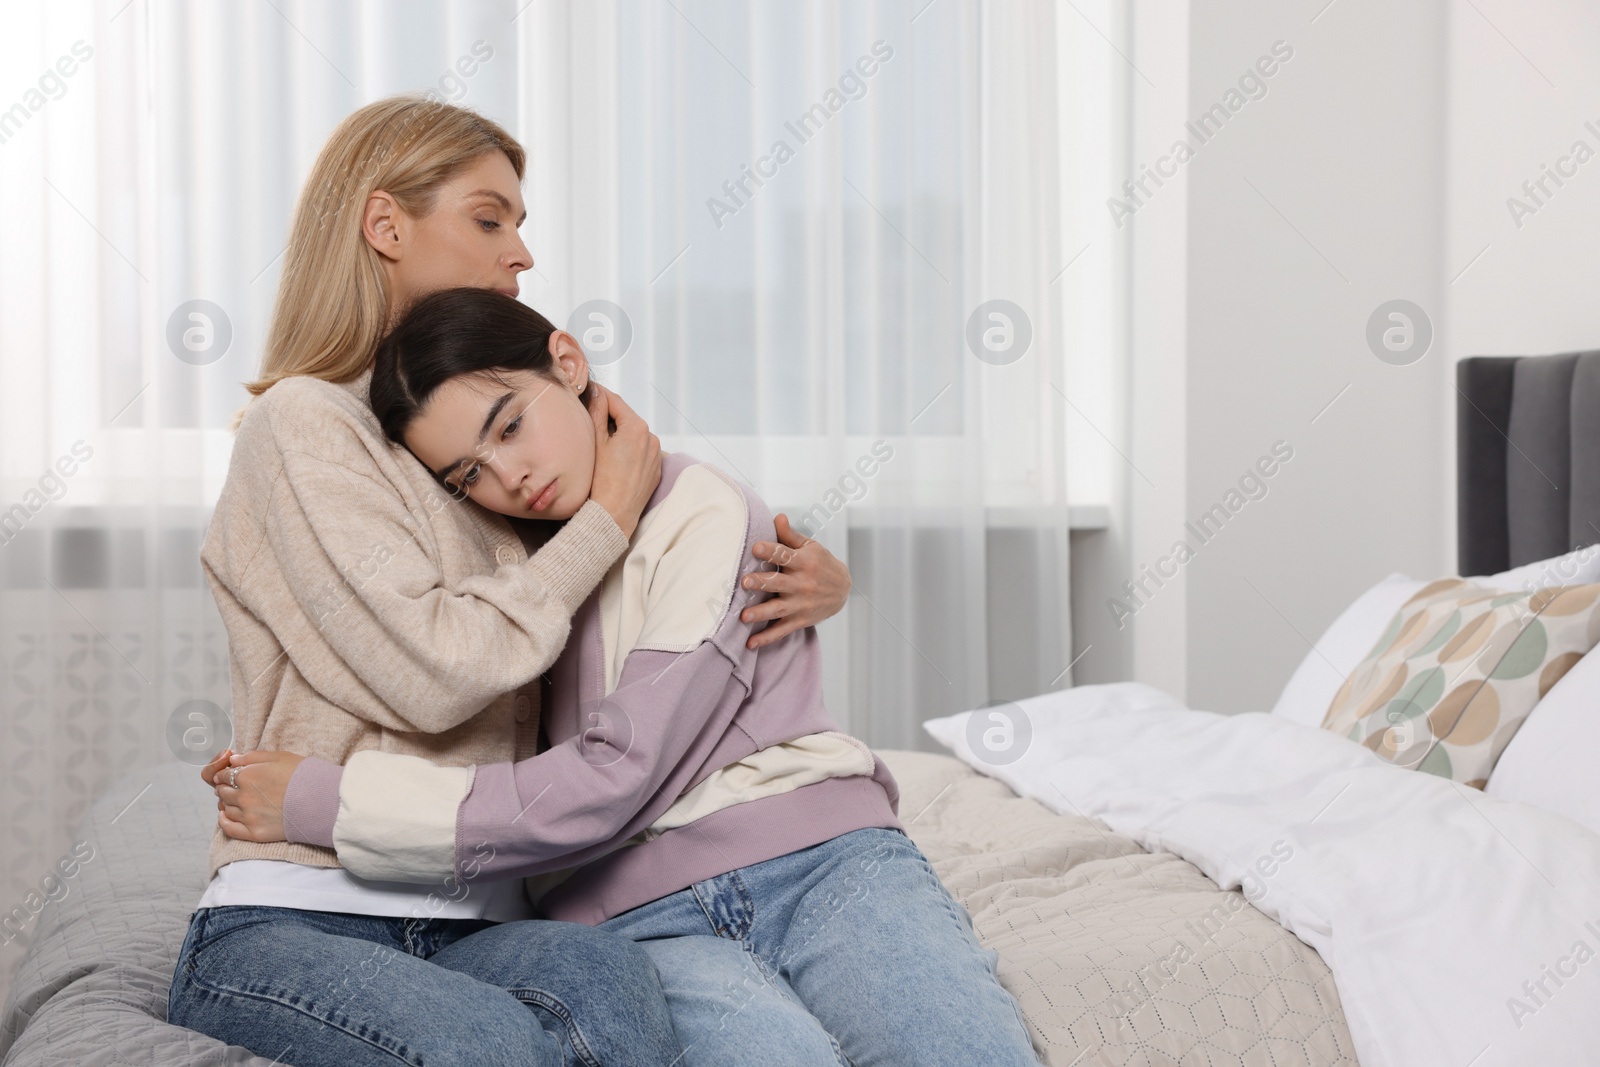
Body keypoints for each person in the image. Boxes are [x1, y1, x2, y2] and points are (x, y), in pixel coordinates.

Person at [168, 94, 855, 1067]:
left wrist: (801, 569)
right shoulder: (305, 422)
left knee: (619, 998)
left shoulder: (485, 446)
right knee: (491, 1041)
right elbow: (437, 669)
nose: (521, 252)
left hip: (484, 916)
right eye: (490, 218)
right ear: (386, 224)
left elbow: (638, 607)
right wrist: (605, 517)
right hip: (302, 909)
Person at [210, 286, 1043, 1067]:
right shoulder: (516, 580)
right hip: (635, 924)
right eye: (469, 474)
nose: (511, 479)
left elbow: (617, 770)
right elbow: (433, 664)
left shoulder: (700, 507)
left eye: (508, 427)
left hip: (822, 862)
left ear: (568, 364)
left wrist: (324, 800)